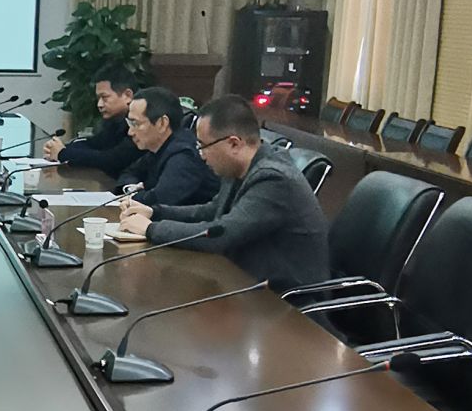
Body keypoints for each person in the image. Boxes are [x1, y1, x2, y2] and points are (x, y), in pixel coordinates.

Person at [119, 94, 328, 289]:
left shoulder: (274, 179)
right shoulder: (239, 167)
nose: (201, 155)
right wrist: (155, 212)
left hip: (283, 301)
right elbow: (212, 210)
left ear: (234, 144)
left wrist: (151, 229)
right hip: (245, 283)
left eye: (203, 146)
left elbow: (222, 235)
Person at [112, 88, 218, 207]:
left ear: (162, 123)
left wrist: (134, 196)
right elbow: (129, 173)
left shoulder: (185, 155)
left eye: (136, 123)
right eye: (129, 123)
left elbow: (159, 201)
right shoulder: (158, 148)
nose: (130, 132)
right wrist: (131, 188)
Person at [43, 73, 140, 177]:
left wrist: (63, 153)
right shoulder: (117, 121)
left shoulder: (141, 123)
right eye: (98, 98)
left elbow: (111, 160)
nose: (99, 104)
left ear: (127, 95)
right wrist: (59, 149)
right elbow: (93, 144)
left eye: (105, 97)